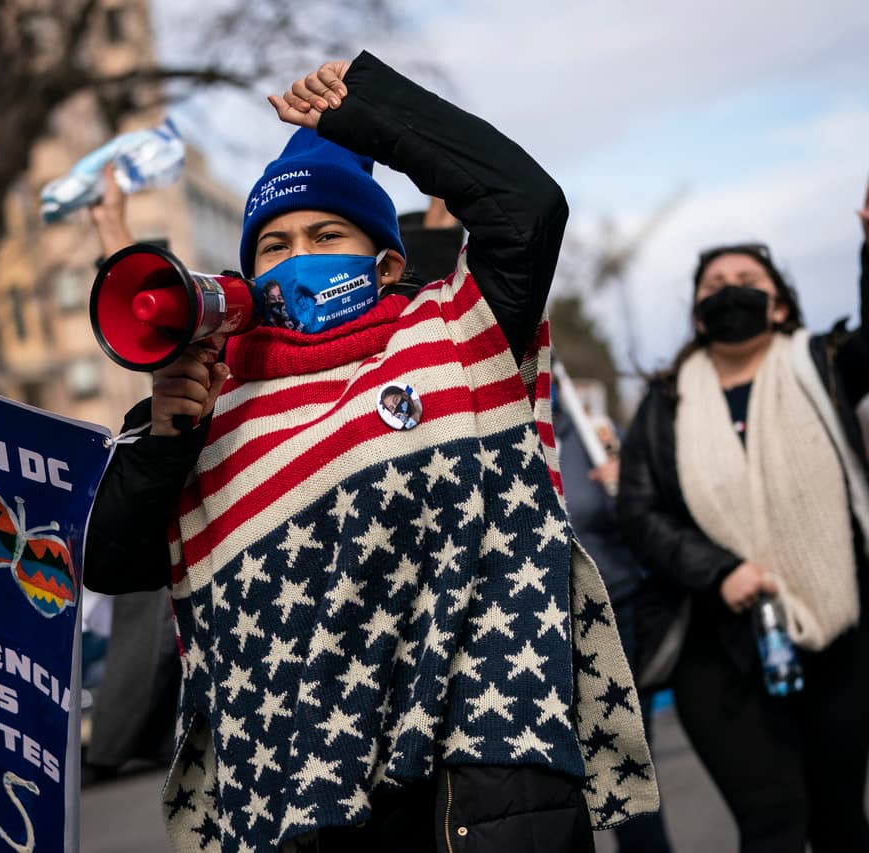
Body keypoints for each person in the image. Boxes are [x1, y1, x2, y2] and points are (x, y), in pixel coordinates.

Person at [84, 53, 657, 852]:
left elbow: (527, 206)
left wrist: (370, 113)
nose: (298, 256)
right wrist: (164, 443)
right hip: (306, 805)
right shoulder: (214, 403)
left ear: (387, 261)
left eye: (326, 234)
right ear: (244, 276)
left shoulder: (455, 331)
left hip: (481, 780)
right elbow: (107, 559)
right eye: (273, 245)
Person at [617, 167, 869, 853]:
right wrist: (718, 568)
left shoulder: (823, 366)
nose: (729, 294)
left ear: (781, 305)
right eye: (714, 287)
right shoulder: (664, 406)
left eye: (747, 284)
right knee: (773, 822)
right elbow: (639, 513)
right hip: (716, 649)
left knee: (840, 820)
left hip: (835, 632)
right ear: (698, 316)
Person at [552, 391, 674, 853]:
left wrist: (628, 487)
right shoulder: (501, 431)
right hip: (542, 626)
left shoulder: (593, 434)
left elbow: (646, 517)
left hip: (616, 612)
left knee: (627, 765)